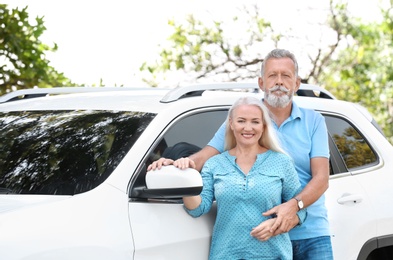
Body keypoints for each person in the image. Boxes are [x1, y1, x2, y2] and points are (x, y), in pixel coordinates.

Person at [148, 48, 333, 260]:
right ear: (261, 83)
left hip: (310, 231)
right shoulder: (247, 117)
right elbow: (206, 156)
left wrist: (293, 207)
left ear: (297, 83)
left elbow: (321, 178)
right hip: (255, 238)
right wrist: (177, 166)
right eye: (272, 75)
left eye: (286, 76)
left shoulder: (314, 121)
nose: (279, 82)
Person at [181, 96, 306, 259]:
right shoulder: (214, 164)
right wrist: (182, 177)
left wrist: (276, 225)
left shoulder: (281, 162)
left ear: (263, 126)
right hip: (226, 255)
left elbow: (300, 212)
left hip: (273, 255)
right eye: (241, 121)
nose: (248, 128)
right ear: (231, 124)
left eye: (255, 121)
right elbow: (199, 208)